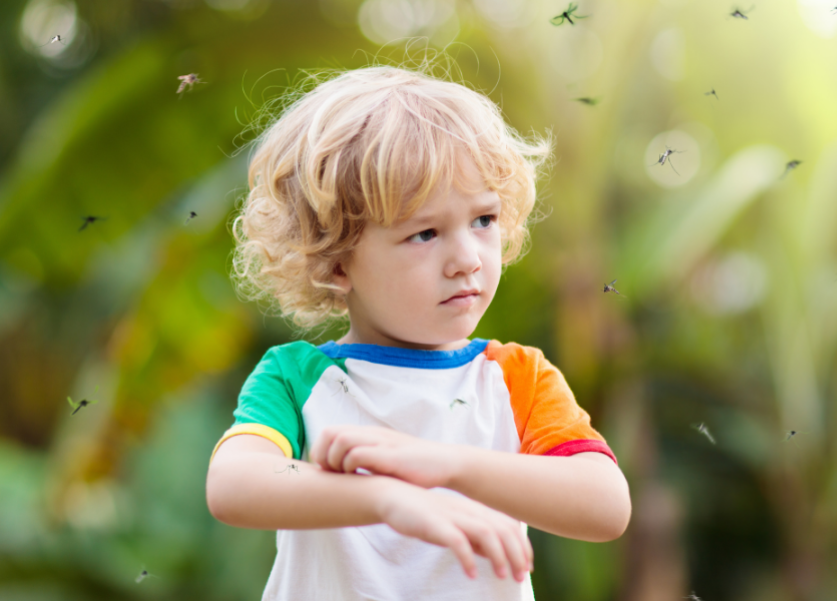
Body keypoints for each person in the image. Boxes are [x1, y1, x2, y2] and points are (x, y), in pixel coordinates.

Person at [205, 64, 631, 601]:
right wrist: (387, 498)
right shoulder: (296, 379)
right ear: (335, 262)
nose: (467, 260)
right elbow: (233, 486)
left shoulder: (516, 379)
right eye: (424, 232)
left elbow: (605, 505)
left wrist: (446, 466)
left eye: (483, 220)